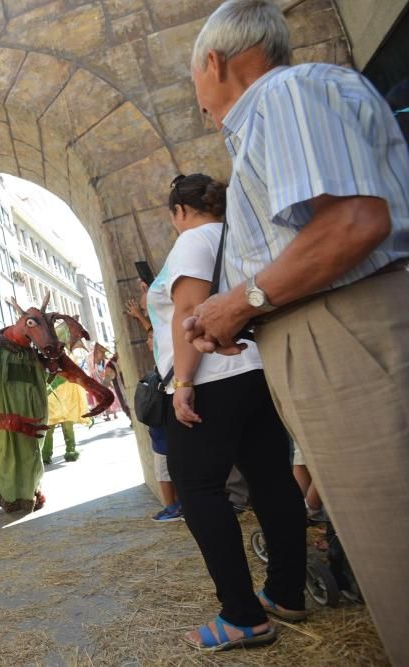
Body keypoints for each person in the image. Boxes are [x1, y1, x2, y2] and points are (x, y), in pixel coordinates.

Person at [184, 2, 409, 661]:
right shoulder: (294, 99)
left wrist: (245, 299)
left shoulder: (281, 95)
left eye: (194, 79)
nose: (198, 98)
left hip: (349, 335)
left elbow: (352, 224)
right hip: (338, 329)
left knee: (393, 542)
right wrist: (246, 308)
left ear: (215, 63)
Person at [149, 172, 306, 651]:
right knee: (272, 480)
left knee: (197, 488)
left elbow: (189, 313)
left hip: (212, 375)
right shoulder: (242, 234)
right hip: (256, 369)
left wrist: (182, 383)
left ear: (180, 211)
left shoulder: (194, 240)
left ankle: (242, 614)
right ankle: (286, 592)